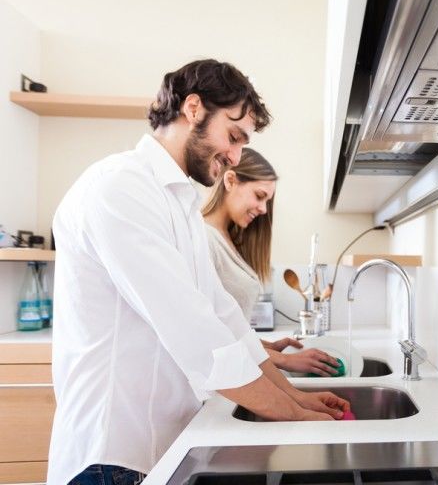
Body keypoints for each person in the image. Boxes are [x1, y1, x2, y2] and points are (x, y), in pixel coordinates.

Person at [48, 59, 349, 485]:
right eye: (233, 135)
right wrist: (293, 412)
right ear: (193, 108)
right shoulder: (119, 186)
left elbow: (223, 318)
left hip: (155, 449)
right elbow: (194, 333)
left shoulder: (178, 203)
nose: (235, 156)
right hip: (111, 455)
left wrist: (297, 400)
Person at [202, 148, 342, 376]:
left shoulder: (229, 239)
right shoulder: (204, 239)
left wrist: (263, 347)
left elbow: (229, 329)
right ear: (230, 180)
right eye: (259, 196)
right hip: (217, 379)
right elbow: (209, 336)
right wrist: (284, 360)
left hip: (231, 371)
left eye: (267, 200)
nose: (263, 209)